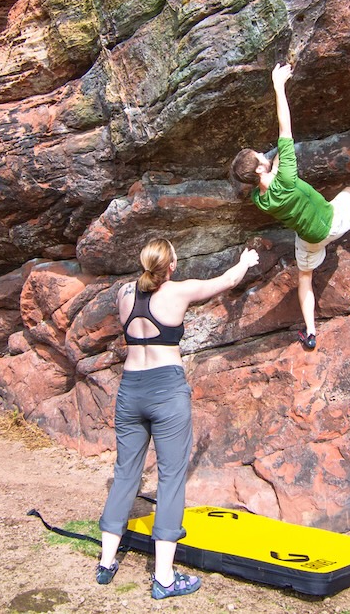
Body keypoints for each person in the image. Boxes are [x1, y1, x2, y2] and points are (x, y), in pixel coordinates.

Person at [95, 238, 259, 600]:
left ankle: (106, 562)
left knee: (125, 472)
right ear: (171, 265)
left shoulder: (124, 293)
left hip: (130, 390)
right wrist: (245, 260)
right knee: (170, 478)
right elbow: (228, 281)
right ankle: (164, 578)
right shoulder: (178, 292)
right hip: (166, 390)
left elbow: (137, 291)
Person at [229, 63, 350, 351]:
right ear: (261, 168)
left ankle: (311, 332)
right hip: (333, 221)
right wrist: (278, 85)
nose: (264, 154)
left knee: (305, 276)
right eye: (260, 155)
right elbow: (284, 125)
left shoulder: (260, 200)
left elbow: (266, 174)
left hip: (311, 239)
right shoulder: (286, 175)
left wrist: (269, 164)